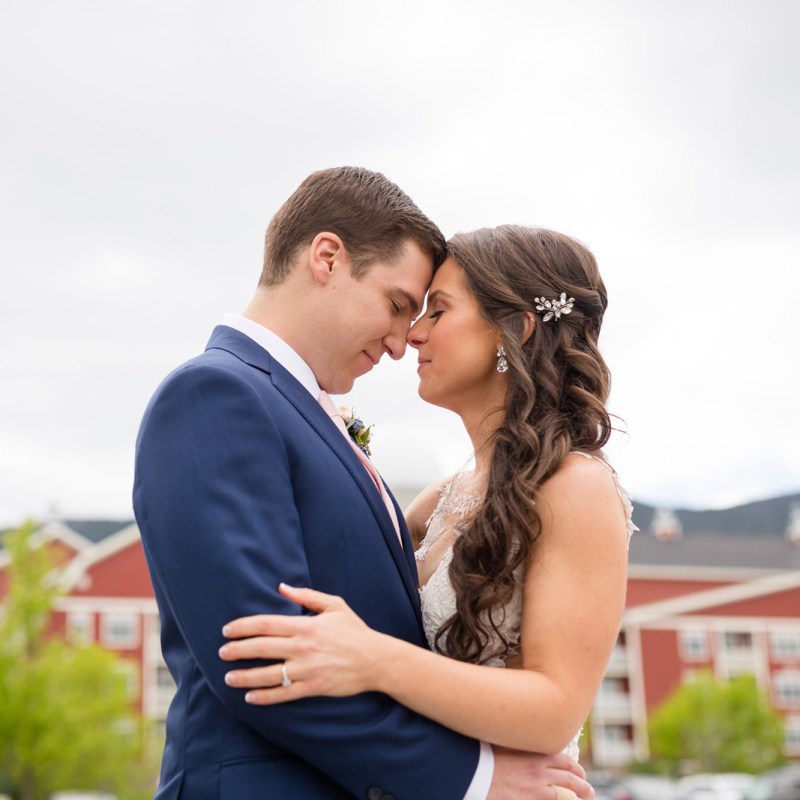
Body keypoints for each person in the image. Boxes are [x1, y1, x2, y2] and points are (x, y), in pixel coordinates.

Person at [133, 170, 594, 799]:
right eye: (401, 305)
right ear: (327, 258)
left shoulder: (330, 430)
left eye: (431, 312)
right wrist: (474, 779)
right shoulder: (216, 394)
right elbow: (266, 657)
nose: (406, 342)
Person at [218, 225, 635, 760]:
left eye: (437, 311)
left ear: (519, 330)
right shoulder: (438, 501)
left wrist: (376, 660)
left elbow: (556, 709)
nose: (412, 334)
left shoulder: (576, 488)